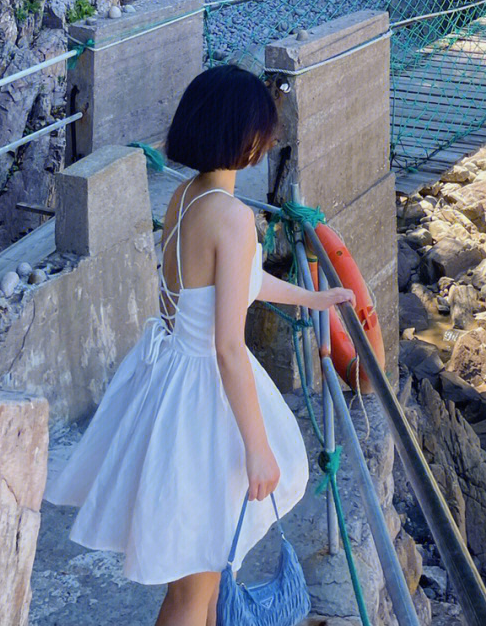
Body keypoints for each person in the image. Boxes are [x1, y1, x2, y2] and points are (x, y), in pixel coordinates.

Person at [46, 65, 356, 626]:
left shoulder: (187, 198)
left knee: (202, 584)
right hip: (203, 405)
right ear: (245, 136)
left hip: (169, 385)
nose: (271, 140)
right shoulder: (234, 218)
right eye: (265, 129)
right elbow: (229, 348)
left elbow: (237, 286)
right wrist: (257, 447)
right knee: (194, 594)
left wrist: (314, 299)